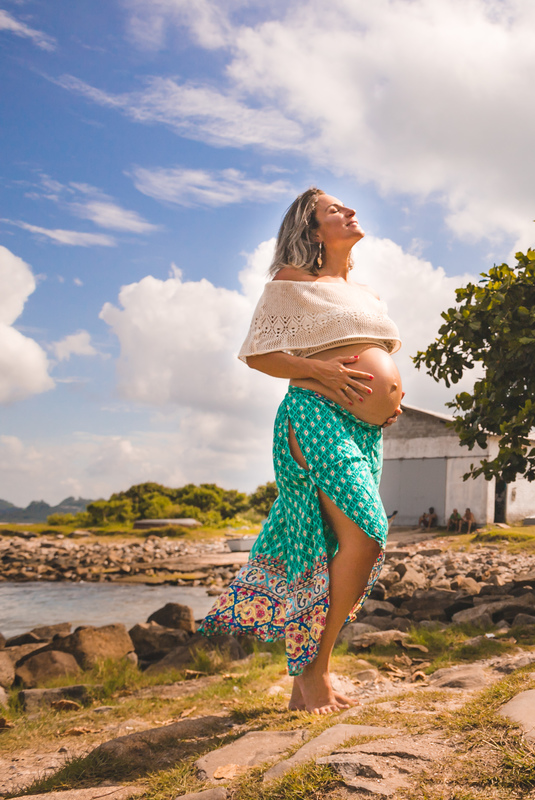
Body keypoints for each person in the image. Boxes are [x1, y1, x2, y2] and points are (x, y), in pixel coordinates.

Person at [199, 188, 405, 714]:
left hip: (365, 431)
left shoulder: (368, 294)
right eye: (335, 210)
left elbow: (376, 356)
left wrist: (388, 402)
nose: (351, 212)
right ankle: (312, 675)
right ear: (312, 231)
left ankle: (315, 673)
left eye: (348, 206)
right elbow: (260, 354)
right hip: (315, 415)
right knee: (368, 530)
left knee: (358, 544)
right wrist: (324, 370)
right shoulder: (291, 284)